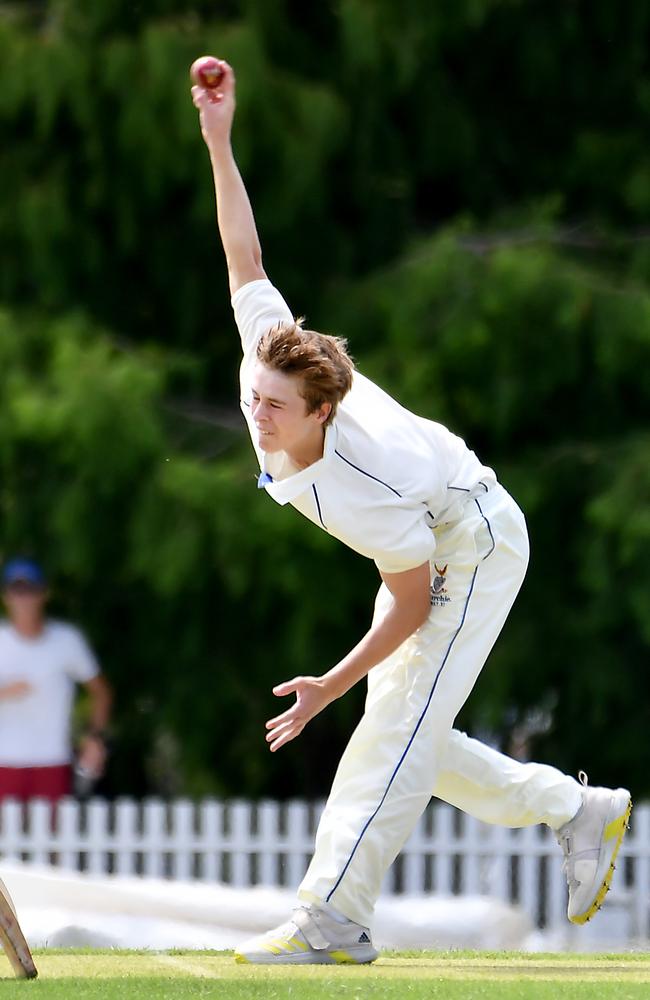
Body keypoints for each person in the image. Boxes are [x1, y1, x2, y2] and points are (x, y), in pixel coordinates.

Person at [192, 62, 631, 965]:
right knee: (411, 737)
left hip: (471, 547)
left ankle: (330, 922)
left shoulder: (370, 478)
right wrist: (219, 138)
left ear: (323, 413)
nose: (256, 415)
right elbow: (245, 256)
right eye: (257, 398)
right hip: (437, 548)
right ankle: (574, 808)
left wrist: (327, 688)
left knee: (386, 739)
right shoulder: (265, 364)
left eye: (276, 407)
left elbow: (412, 598)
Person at [0, 558, 112, 803]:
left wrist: (95, 737)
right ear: (6, 596)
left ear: (43, 594)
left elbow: (101, 692)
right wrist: (4, 692)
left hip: (52, 759)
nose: (23, 599)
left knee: (51, 839)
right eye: (16, 591)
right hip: (4, 760)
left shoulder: (67, 641)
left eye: (30, 590)